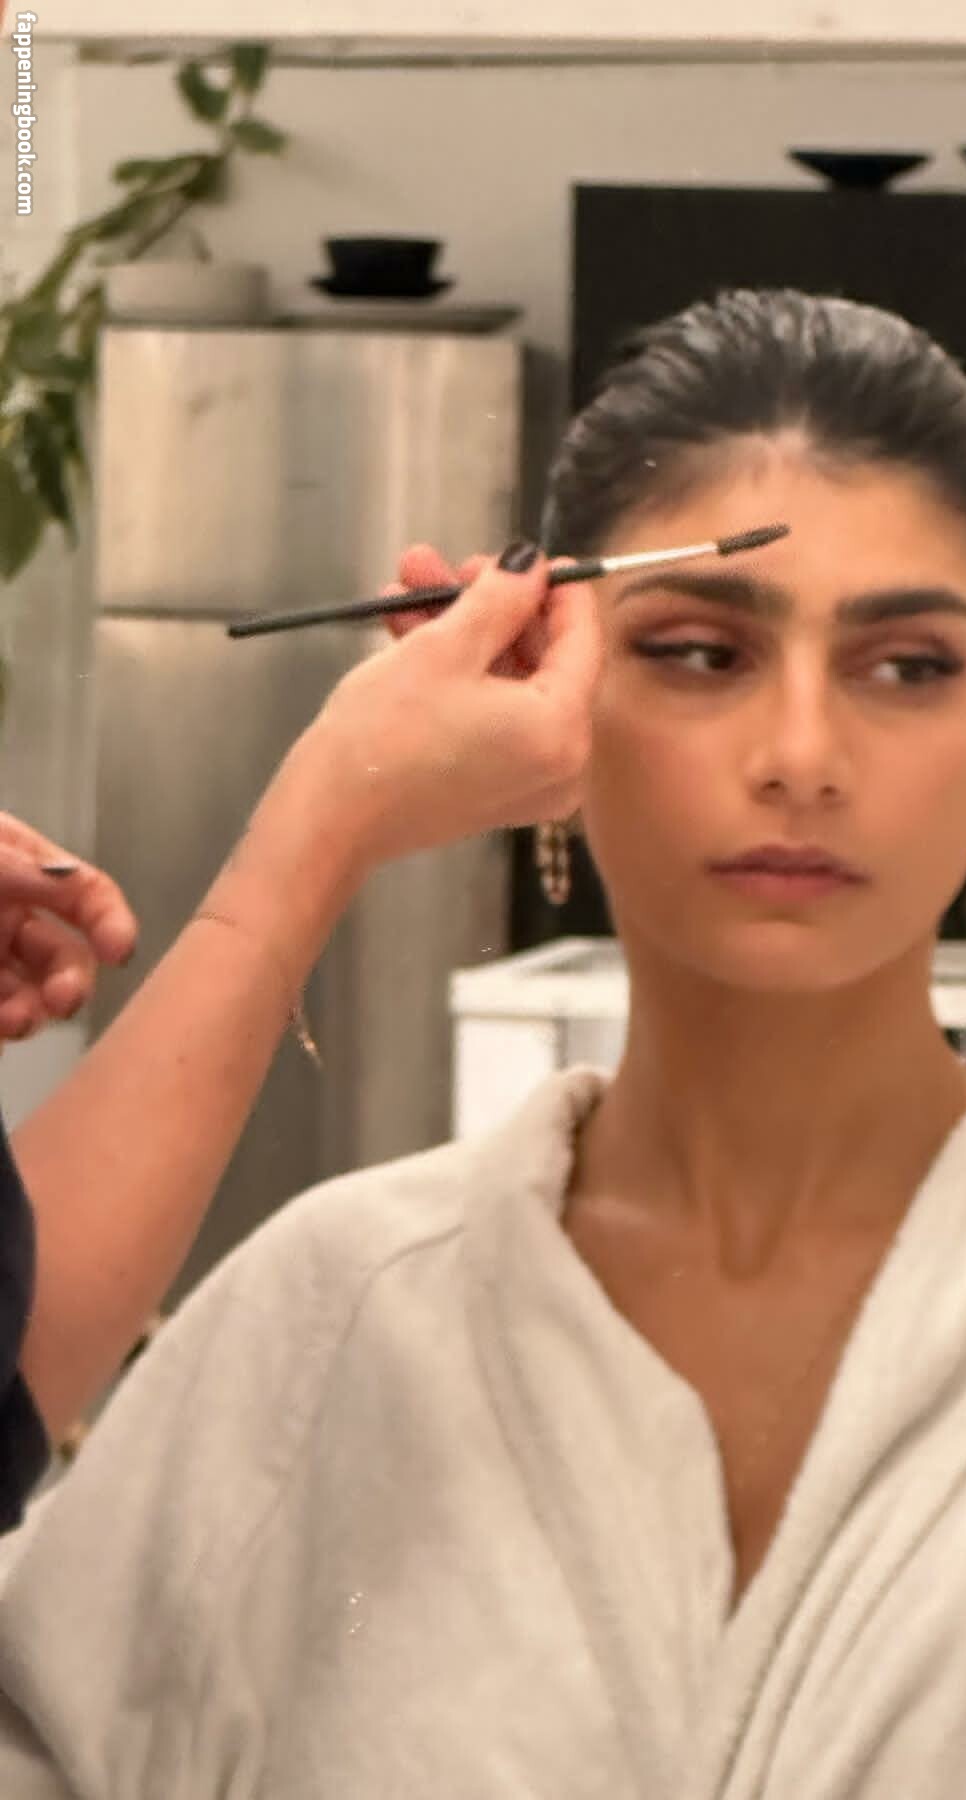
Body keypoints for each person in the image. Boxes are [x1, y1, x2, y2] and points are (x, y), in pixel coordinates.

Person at [0, 290, 966, 1798]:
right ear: (544, 684)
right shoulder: (320, 1320)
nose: (801, 757)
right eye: (699, 653)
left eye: (907, 667)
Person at [0, 543, 598, 1528]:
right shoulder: (350, 1282)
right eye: (705, 655)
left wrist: (332, 818)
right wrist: (331, 813)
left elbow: (16, 1347)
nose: (797, 758)